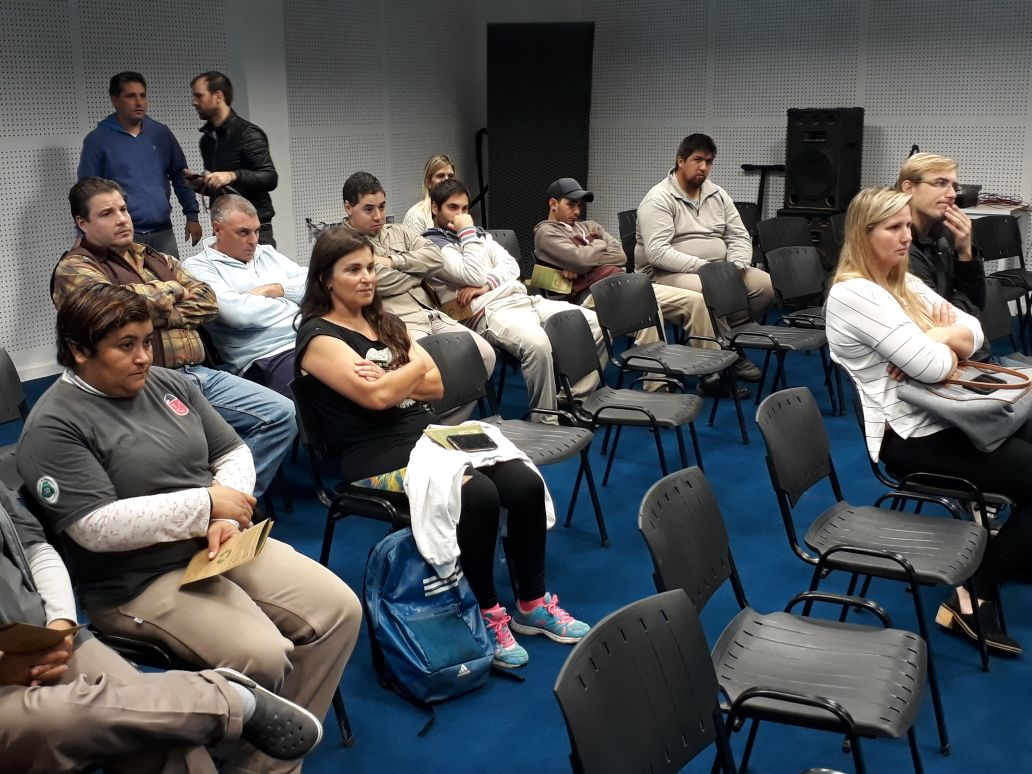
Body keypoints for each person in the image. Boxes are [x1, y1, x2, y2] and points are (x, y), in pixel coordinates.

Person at [16, 283, 362, 774]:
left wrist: (223, 515)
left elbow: (233, 451)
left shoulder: (168, 384)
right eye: (125, 345)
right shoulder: (54, 424)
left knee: (339, 609)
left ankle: (264, 764)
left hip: (219, 544)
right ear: (78, 350)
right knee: (262, 655)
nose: (143, 356)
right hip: (137, 582)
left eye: (146, 340)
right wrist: (205, 505)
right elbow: (95, 527)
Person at [293, 225, 588, 668]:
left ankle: (531, 604)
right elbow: (379, 397)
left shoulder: (384, 321)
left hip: (424, 437)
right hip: (370, 456)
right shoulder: (319, 338)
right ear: (325, 279)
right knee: (477, 493)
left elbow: (433, 385)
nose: (367, 277)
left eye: (370, 267)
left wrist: (394, 377)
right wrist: (406, 370)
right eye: (352, 270)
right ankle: (485, 613)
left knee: (523, 480)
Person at [0, 482, 323, 773]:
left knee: (156, 729)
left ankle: (226, 723)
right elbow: (96, 526)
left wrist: (60, 623)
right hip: (126, 586)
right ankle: (223, 700)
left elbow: (33, 547)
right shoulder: (54, 437)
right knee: (65, 717)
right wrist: (207, 503)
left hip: (43, 636)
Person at [826, 186, 1025, 656]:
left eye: (906, 226)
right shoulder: (854, 293)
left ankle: (1009, 553)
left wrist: (933, 334)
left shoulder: (900, 280)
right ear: (863, 234)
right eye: (893, 228)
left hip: (948, 414)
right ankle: (973, 593)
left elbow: (974, 331)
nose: (906, 237)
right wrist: (941, 346)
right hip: (910, 436)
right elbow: (934, 367)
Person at [52, 177, 295, 498]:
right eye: (107, 213)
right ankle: (213, 505)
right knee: (181, 450)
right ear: (82, 223)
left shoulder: (154, 257)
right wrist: (175, 290)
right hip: (144, 384)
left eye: (123, 209)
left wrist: (152, 307)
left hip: (198, 374)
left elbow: (207, 300)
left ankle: (230, 500)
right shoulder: (74, 268)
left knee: (281, 415)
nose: (122, 219)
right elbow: (113, 310)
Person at [423, 178, 606, 419]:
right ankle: (546, 419)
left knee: (596, 324)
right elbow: (472, 273)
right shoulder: (432, 244)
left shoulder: (479, 236)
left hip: (522, 299)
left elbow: (511, 266)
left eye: (465, 208)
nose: (461, 215)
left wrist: (487, 284)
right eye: (453, 208)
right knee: (538, 344)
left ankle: (572, 399)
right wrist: (467, 231)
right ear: (435, 208)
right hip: (489, 312)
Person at [636, 133, 775, 383]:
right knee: (712, 288)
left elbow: (739, 235)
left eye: (709, 162)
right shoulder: (658, 198)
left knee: (765, 285)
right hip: (665, 274)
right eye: (698, 160)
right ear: (680, 161)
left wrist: (737, 264)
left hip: (719, 268)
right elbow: (657, 252)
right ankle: (726, 351)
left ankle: (728, 336)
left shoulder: (718, 194)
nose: (704, 167)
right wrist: (706, 268)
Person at [533, 176, 720, 358]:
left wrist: (587, 259)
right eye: (571, 204)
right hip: (594, 294)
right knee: (647, 309)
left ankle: (712, 368)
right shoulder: (546, 232)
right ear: (553, 204)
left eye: (579, 205)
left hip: (627, 283)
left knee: (696, 301)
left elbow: (621, 255)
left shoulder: (590, 225)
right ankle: (656, 377)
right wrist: (598, 244)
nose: (577, 211)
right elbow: (580, 261)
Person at [342, 171, 496, 384]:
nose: (378, 216)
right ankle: (434, 406)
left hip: (432, 313)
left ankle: (454, 407)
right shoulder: (343, 244)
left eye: (382, 207)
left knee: (485, 355)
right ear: (348, 207)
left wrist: (393, 262)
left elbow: (435, 258)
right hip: (398, 324)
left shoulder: (399, 231)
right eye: (369, 209)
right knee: (436, 370)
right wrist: (419, 273)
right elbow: (378, 282)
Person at [183, 194, 305, 398]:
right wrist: (295, 305)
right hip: (265, 357)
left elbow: (316, 282)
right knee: (324, 394)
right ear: (218, 229)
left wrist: (275, 290)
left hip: (307, 338)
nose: (253, 241)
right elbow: (239, 315)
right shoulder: (198, 267)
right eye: (243, 232)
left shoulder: (266, 252)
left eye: (257, 231)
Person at [78, 71, 200, 257]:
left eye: (142, 95)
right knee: (125, 278)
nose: (139, 102)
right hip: (121, 235)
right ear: (115, 99)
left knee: (171, 277)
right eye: (131, 96)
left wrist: (192, 216)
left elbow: (180, 175)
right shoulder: (97, 140)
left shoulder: (161, 134)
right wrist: (83, 235)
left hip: (163, 233)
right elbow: (87, 193)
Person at [895, 152, 988, 358]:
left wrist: (965, 252)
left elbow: (978, 303)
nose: (952, 194)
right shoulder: (899, 247)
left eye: (954, 185)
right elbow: (937, 319)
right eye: (940, 183)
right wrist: (960, 301)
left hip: (964, 348)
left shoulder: (944, 234)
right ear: (909, 188)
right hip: (941, 357)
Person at [187, 71, 278, 245]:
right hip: (224, 227)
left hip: (254, 229)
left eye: (199, 96)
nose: (194, 102)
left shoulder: (248, 134)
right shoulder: (207, 141)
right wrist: (201, 184)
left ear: (218, 96)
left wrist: (232, 175)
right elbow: (225, 188)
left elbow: (270, 178)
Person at [401, 153, 455, 234]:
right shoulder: (416, 215)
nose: (447, 180)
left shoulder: (458, 211)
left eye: (450, 176)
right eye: (440, 176)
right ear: (428, 182)